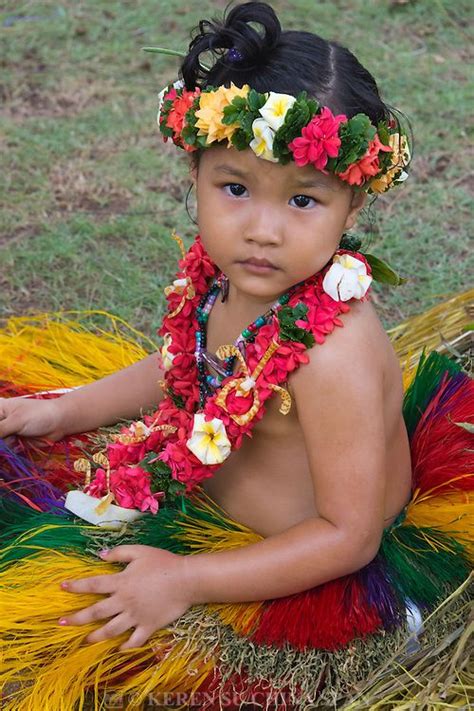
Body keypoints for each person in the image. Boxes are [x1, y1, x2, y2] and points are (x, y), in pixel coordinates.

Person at [0, 2, 472, 709]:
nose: (262, 230)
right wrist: (67, 408)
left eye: (304, 200)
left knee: (77, 632)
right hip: (215, 504)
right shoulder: (223, 278)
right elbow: (187, 366)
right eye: (235, 187)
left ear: (354, 205)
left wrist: (185, 579)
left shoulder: (332, 353)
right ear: (194, 172)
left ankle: (381, 634)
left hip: (306, 569)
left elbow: (349, 537)